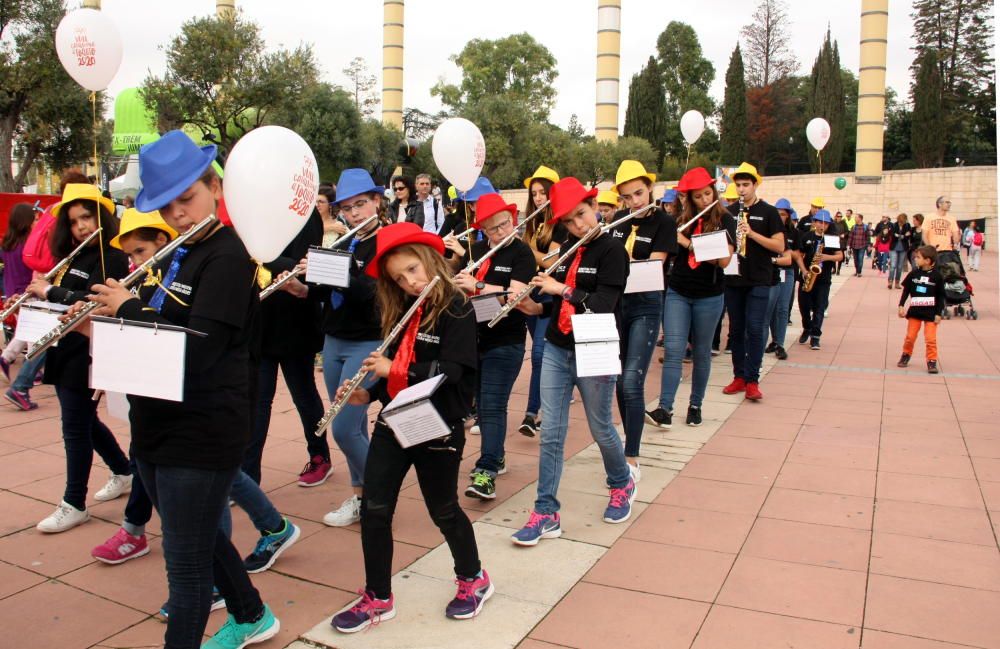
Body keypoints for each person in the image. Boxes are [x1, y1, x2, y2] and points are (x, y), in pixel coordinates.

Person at [88, 131, 279, 648]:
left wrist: (129, 310)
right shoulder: (178, 253)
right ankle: (252, 613)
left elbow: (199, 348)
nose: (179, 214)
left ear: (214, 187)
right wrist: (99, 327)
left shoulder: (228, 257)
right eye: (167, 206)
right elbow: (155, 332)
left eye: (188, 198)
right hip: (158, 420)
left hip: (203, 427)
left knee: (188, 567)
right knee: (194, 534)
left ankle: (230, 620)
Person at [330, 222, 490, 632]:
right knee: (376, 509)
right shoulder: (402, 308)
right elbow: (394, 375)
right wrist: (368, 393)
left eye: (414, 270)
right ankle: (378, 597)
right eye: (400, 278)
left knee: (444, 510)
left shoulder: (457, 305)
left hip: (438, 423)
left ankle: (473, 578)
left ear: (432, 259)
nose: (410, 282)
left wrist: (393, 368)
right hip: (397, 418)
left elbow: (452, 372)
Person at [511, 177, 635, 546]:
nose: (578, 225)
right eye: (569, 221)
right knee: (551, 432)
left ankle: (621, 482)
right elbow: (553, 305)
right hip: (558, 345)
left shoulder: (613, 251)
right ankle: (546, 511)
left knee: (600, 428)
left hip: (594, 344)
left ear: (594, 207)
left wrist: (560, 288)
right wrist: (532, 305)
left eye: (581, 215)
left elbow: (601, 305)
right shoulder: (566, 249)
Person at [281, 168, 385, 527]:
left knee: (339, 428)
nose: (354, 213)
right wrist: (302, 288)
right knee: (355, 428)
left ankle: (380, 494)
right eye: (347, 207)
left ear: (377, 202)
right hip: (335, 340)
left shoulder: (387, 243)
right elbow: (327, 291)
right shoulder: (345, 242)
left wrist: (337, 273)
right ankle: (362, 498)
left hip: (368, 341)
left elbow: (372, 293)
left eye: (361, 204)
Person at [31, 184, 131, 533]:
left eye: (87, 217)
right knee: (84, 422)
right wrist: (38, 297)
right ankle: (123, 469)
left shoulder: (112, 255)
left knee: (74, 427)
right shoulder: (74, 256)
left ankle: (74, 502)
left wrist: (50, 291)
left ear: (100, 216)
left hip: (88, 351)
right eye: (74, 222)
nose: (82, 227)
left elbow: (95, 301)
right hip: (65, 349)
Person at [447, 194, 534, 500]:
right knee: (483, 407)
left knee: (493, 406)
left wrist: (479, 286)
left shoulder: (522, 254)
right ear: (482, 229)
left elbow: (518, 296)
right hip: (474, 337)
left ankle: (486, 471)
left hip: (506, 339)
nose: (501, 232)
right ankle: (496, 456)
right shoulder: (479, 250)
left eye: (505, 224)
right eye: (493, 228)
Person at [646, 168, 735, 429]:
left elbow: (723, 259)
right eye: (698, 196)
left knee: (702, 353)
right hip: (678, 291)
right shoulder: (676, 220)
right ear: (688, 198)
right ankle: (665, 408)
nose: (706, 200)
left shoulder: (725, 220)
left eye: (708, 193)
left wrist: (686, 242)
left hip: (710, 295)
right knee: (673, 350)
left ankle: (695, 405)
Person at [251, 192, 328, 487]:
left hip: (297, 321)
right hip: (261, 322)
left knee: (304, 394)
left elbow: (305, 264)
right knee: (257, 400)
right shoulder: (252, 213)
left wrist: (260, 254)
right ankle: (248, 476)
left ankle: (320, 455)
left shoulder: (304, 212)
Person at [608, 160, 676, 475]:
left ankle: (632, 457)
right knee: (620, 382)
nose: (634, 202)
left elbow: (654, 266)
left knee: (633, 380)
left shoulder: (664, 222)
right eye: (627, 197)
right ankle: (629, 434)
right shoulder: (619, 221)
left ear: (649, 188)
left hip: (646, 303)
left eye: (638, 193)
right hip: (618, 305)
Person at [721, 163, 784, 401]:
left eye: (746, 185)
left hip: (759, 278)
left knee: (755, 329)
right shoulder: (728, 211)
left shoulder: (768, 212)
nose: (741, 189)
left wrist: (752, 234)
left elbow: (779, 246)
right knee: (736, 330)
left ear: (755, 185)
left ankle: (753, 380)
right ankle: (739, 376)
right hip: (733, 277)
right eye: (738, 185)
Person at [518, 166, 566, 437]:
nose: (538, 198)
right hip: (531, 290)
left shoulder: (560, 222)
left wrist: (525, 248)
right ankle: (556, 392)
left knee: (538, 355)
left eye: (543, 192)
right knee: (543, 354)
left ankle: (531, 413)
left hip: (550, 289)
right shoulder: (531, 222)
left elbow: (551, 260)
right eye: (534, 193)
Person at [0, 203, 39, 397]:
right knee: (33, 331)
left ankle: (8, 358)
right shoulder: (28, 244)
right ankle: (31, 367)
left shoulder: (6, 244)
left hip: (11, 291)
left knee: (25, 329)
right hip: (27, 290)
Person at [795, 210, 843, 350]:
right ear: (814, 222)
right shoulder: (806, 236)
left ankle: (815, 337)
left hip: (823, 279)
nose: (822, 226)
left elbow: (840, 256)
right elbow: (798, 255)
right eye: (819, 222)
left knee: (819, 308)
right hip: (807, 276)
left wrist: (827, 257)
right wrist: (803, 270)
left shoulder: (832, 238)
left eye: (825, 223)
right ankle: (807, 327)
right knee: (803, 306)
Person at [897, 245, 945, 374]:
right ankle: (906, 354)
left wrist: (939, 313)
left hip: (931, 313)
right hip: (915, 312)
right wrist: (901, 305)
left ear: (928, 261)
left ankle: (932, 361)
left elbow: (941, 297)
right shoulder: (914, 273)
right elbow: (906, 290)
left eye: (918, 257)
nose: (915, 259)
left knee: (930, 339)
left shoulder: (937, 276)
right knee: (910, 337)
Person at [764, 198, 799, 360]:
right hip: (772, 271)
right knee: (770, 308)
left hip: (788, 272)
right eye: (778, 214)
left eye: (783, 214)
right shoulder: (768, 228)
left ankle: (780, 344)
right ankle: (775, 340)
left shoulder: (793, 233)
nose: (780, 217)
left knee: (783, 309)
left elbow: (797, 255)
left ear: (788, 216)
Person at [888, 213, 912, 289]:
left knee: (900, 266)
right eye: (901, 221)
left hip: (903, 248)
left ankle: (897, 282)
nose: (902, 223)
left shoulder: (907, 225)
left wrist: (900, 236)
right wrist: (903, 235)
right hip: (894, 248)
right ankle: (890, 281)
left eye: (903, 221)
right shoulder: (894, 225)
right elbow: (892, 235)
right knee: (893, 265)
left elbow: (908, 236)